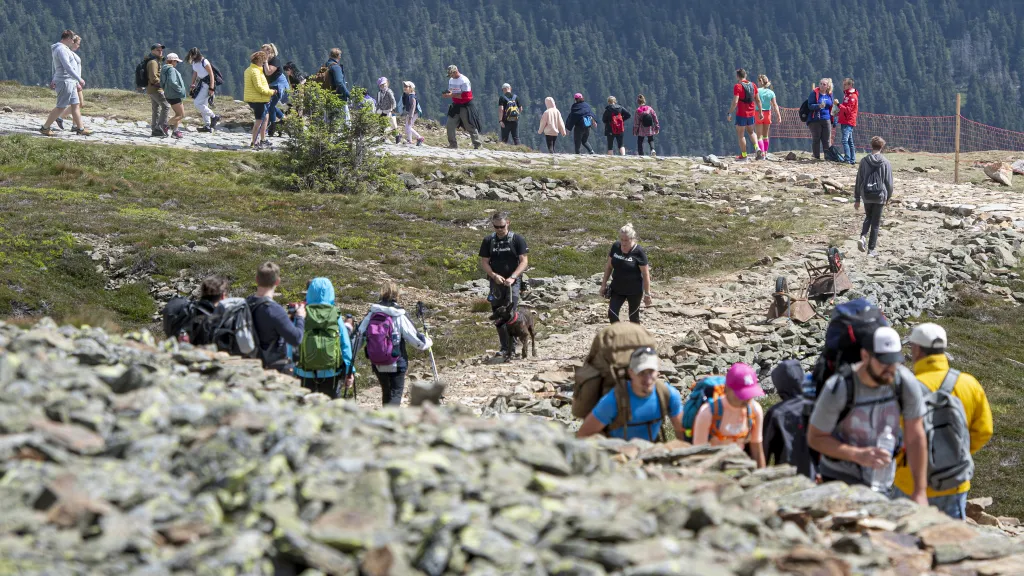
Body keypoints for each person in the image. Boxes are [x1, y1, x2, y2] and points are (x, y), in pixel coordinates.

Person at [808, 326, 929, 504]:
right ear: (865, 356)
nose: (890, 369)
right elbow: (815, 438)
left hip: (882, 482)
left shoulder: (904, 383)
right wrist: (857, 454)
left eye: (894, 361)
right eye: (883, 361)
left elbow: (916, 436)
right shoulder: (839, 387)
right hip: (838, 478)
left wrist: (920, 491)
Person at [893, 324, 993, 519]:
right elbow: (984, 430)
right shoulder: (969, 383)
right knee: (952, 543)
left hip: (909, 482)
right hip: (953, 481)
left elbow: (893, 436)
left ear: (916, 349)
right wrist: (953, 453)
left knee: (905, 541)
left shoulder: (905, 388)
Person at [576, 347, 684, 441]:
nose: (647, 379)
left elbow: (681, 430)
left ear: (658, 372)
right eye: (641, 373)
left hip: (652, 454)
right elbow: (583, 435)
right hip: (620, 458)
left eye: (651, 372)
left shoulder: (667, 394)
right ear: (631, 373)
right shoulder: (614, 400)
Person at [356, 281, 433, 406]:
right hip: (397, 361)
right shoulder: (399, 314)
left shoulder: (372, 313)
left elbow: (359, 335)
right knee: (396, 394)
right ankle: (391, 421)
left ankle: (386, 421)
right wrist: (428, 343)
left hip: (377, 362)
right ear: (397, 295)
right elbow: (415, 340)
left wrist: (350, 355)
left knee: (386, 393)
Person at [691, 363, 767, 468]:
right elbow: (698, 456)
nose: (745, 399)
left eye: (749, 394)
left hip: (739, 466)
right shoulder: (708, 413)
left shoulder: (755, 410)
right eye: (741, 394)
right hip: (712, 469)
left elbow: (757, 449)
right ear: (726, 389)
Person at [294, 278, 355, 399]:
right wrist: (349, 371)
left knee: (305, 409)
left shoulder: (301, 314)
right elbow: (345, 345)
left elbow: (291, 342)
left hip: (304, 372)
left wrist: (290, 368)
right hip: (330, 373)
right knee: (330, 408)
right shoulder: (335, 315)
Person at [479, 212, 529, 358]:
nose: (499, 229)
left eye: (502, 226)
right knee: (498, 315)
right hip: (496, 282)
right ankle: (504, 347)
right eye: (496, 227)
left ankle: (513, 348)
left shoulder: (517, 239)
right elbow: (484, 262)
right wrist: (494, 275)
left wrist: (513, 277)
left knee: (510, 313)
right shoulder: (488, 240)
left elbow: (524, 261)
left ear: (508, 222)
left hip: (512, 281)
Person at [246, 262, 305, 374]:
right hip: (272, 368)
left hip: (248, 364)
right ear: (277, 281)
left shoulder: (245, 304)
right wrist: (300, 317)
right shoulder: (275, 310)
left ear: (257, 279)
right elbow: (296, 338)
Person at [763, 360, 815, 476]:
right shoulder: (819, 404)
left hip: (787, 475)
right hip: (819, 474)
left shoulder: (777, 413)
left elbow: (764, 450)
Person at [41, 30, 91, 136]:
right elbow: (67, 66)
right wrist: (79, 78)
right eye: (72, 39)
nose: (73, 42)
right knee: (61, 106)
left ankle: (80, 128)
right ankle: (45, 128)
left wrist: (75, 81)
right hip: (64, 81)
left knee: (76, 104)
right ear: (68, 38)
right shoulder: (61, 49)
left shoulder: (64, 49)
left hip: (71, 82)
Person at [599, 223, 651, 324]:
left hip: (634, 291)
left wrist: (647, 294)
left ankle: (636, 339)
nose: (623, 243)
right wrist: (603, 285)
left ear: (632, 238)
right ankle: (620, 335)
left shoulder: (638, 252)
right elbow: (609, 266)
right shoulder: (616, 247)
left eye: (626, 240)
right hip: (617, 288)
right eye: (621, 240)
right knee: (612, 314)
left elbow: (645, 274)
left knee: (633, 318)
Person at [854, 136, 894, 257]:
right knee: (875, 223)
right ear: (882, 147)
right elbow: (889, 182)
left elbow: (859, 180)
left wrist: (857, 198)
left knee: (868, 217)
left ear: (871, 146)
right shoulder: (886, 162)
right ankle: (871, 250)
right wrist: (888, 197)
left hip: (866, 194)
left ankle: (863, 236)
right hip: (879, 195)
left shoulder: (864, 161)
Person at [243, 51, 278, 150]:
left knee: (265, 117)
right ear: (260, 61)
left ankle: (262, 140)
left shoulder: (250, 69)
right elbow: (259, 87)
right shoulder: (256, 72)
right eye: (264, 61)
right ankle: (254, 142)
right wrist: (271, 92)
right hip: (258, 99)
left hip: (255, 98)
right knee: (259, 120)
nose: (264, 63)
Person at [442, 65, 482, 149]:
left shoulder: (464, 80)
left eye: (451, 74)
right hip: (456, 105)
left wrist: (451, 95)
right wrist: (446, 93)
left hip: (465, 105)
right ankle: (453, 144)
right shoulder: (451, 80)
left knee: (469, 125)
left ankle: (477, 144)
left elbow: (465, 96)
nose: (450, 76)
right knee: (450, 125)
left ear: (455, 72)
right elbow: (451, 90)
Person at [726, 69, 762, 160]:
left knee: (741, 134)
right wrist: (760, 112)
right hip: (751, 113)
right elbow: (757, 100)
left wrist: (730, 112)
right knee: (751, 132)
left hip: (741, 114)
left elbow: (735, 102)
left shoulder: (738, 86)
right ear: (745, 75)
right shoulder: (753, 85)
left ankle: (744, 155)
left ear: (737, 76)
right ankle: (757, 148)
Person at [186, 48, 221, 132]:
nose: (192, 57)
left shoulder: (204, 62)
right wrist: (192, 84)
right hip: (202, 83)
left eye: (194, 55)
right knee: (204, 105)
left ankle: (214, 116)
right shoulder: (194, 62)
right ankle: (207, 125)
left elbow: (211, 75)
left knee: (197, 103)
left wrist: (211, 88)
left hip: (208, 84)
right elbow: (195, 73)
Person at [261, 43, 288, 138]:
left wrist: (265, 62)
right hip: (271, 85)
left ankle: (273, 125)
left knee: (270, 105)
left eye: (265, 51)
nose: (262, 53)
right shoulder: (265, 61)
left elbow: (268, 72)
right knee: (269, 105)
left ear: (270, 52)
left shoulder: (275, 60)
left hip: (278, 85)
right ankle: (283, 119)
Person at [806, 78, 836, 160]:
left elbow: (832, 107)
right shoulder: (814, 93)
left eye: (824, 84)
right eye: (821, 83)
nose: (822, 85)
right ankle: (816, 157)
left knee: (826, 140)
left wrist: (834, 119)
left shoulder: (830, 94)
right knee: (816, 138)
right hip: (815, 119)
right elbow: (810, 105)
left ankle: (827, 157)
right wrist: (818, 106)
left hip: (827, 118)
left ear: (828, 86)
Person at [145, 43, 171, 137]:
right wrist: (163, 85)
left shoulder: (155, 61)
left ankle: (155, 128)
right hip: (156, 89)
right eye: (158, 50)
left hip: (152, 89)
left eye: (161, 50)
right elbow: (153, 77)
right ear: (152, 51)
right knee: (166, 106)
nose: (160, 51)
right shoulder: (153, 62)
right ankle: (159, 128)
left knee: (156, 109)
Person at [160, 53, 187, 139]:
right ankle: (166, 125)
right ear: (173, 61)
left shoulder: (164, 69)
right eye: (176, 61)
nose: (177, 63)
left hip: (169, 94)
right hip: (174, 94)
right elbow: (172, 81)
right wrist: (179, 89)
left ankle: (175, 131)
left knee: (177, 114)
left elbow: (162, 82)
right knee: (181, 115)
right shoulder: (171, 69)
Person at [755, 74, 781, 158]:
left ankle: (761, 152)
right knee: (766, 135)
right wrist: (778, 115)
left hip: (758, 113)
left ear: (760, 81)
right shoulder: (771, 92)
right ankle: (765, 152)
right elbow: (775, 105)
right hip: (768, 113)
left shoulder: (756, 91)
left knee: (759, 136)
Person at [838, 78, 860, 166]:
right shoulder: (846, 95)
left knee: (845, 140)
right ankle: (852, 159)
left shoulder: (852, 97)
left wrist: (838, 105)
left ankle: (847, 158)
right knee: (850, 141)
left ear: (850, 85)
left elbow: (848, 110)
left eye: (845, 85)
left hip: (848, 121)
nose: (843, 86)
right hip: (844, 120)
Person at [376, 77, 401, 144]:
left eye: (384, 84)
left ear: (387, 83)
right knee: (382, 125)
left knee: (393, 125)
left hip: (389, 111)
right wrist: (377, 110)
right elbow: (378, 102)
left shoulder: (389, 92)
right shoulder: (379, 93)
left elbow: (393, 101)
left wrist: (393, 108)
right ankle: (383, 138)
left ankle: (397, 136)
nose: (383, 86)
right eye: (381, 85)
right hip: (382, 111)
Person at [400, 81, 425, 146]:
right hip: (410, 113)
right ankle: (409, 140)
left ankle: (419, 137)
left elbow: (413, 107)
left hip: (414, 113)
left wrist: (410, 117)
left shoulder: (412, 97)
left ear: (411, 88)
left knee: (408, 127)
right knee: (407, 127)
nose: (404, 88)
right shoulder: (407, 95)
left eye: (406, 87)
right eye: (404, 86)